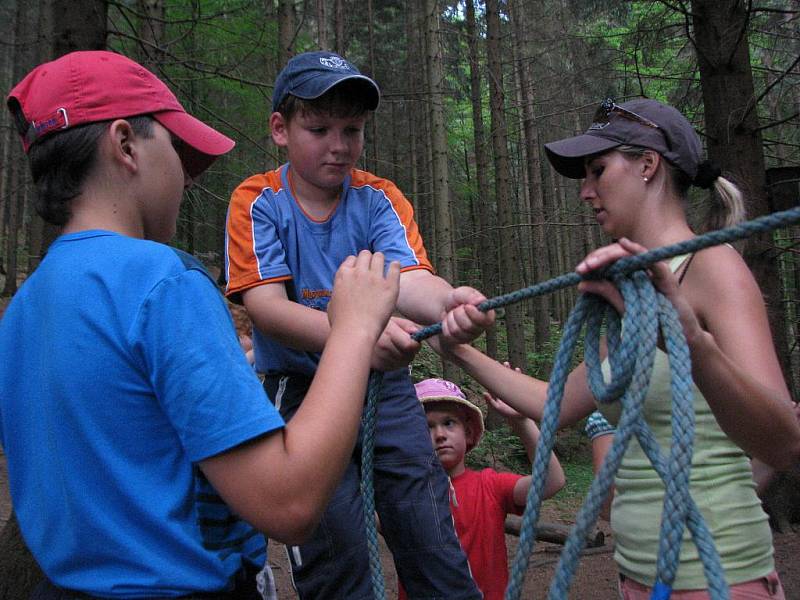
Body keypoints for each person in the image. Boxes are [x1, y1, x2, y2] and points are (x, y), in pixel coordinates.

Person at [0, 50, 403, 598]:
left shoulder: (24, 307)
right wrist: (355, 330)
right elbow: (289, 503)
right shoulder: (163, 281)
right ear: (125, 145)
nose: (189, 177)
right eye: (177, 150)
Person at [431, 97, 800, 599]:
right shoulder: (622, 294)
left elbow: (783, 441)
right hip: (637, 579)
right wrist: (459, 353)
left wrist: (689, 341)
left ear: (648, 165)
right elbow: (553, 404)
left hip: (720, 577)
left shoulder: (712, 266)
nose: (585, 192)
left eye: (597, 170)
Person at [224, 51, 494, 599]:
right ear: (280, 128)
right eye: (319, 128)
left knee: (429, 532)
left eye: (352, 129)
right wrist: (359, 338)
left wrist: (449, 303)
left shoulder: (377, 198)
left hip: (388, 390)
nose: (339, 144)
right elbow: (267, 309)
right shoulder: (258, 201)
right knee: (335, 546)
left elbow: (411, 278)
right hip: (300, 390)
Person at [396, 378, 564, 600]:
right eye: (427, 426)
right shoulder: (401, 494)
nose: (439, 434)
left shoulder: (490, 485)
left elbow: (551, 481)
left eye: (448, 423)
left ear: (467, 433)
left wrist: (522, 422)